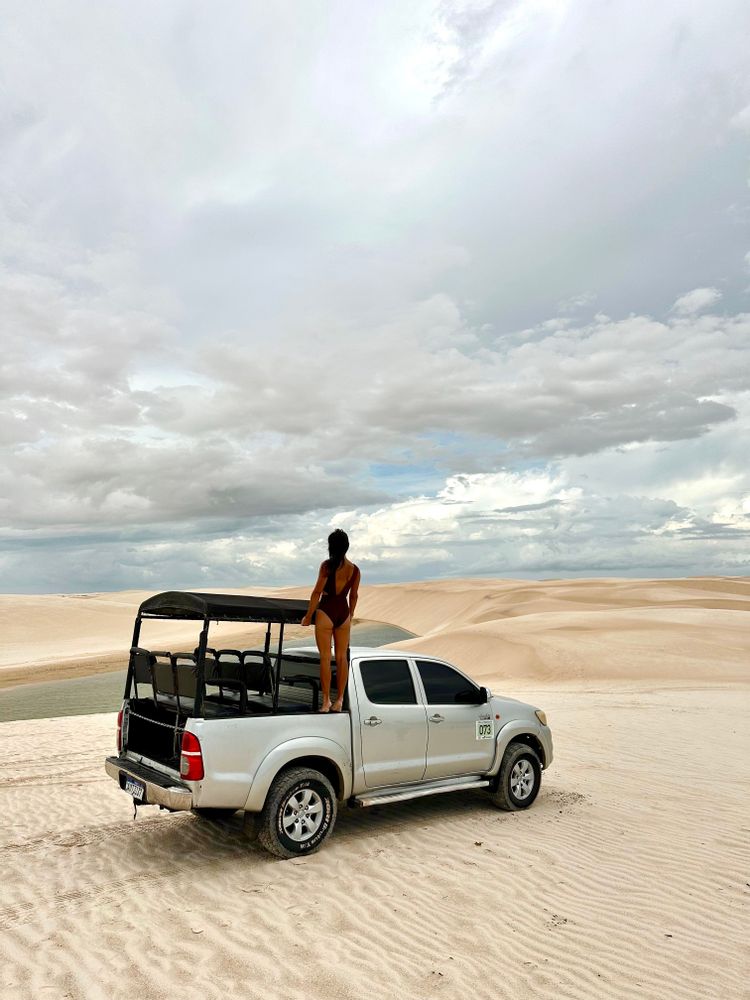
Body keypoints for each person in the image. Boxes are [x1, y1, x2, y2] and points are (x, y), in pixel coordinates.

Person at [301, 529, 360, 712]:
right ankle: (340, 700)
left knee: (326, 657)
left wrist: (308, 616)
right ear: (347, 546)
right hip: (343, 613)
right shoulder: (355, 570)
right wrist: (350, 615)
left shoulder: (326, 566)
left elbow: (317, 592)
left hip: (326, 610)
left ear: (330, 546)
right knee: (342, 658)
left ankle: (326, 701)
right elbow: (354, 596)